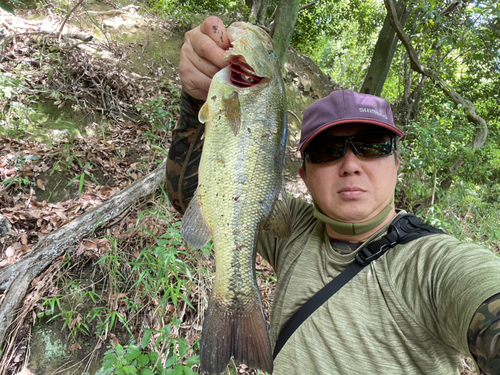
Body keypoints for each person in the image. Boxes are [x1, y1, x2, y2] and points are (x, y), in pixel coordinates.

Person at [166, 16, 500, 375]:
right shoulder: (290, 230)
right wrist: (194, 106)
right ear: (304, 175)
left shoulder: (434, 265)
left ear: (397, 163)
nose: (351, 164)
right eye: (328, 149)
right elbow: (185, 196)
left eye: (372, 145)